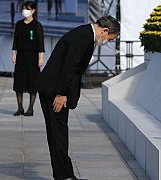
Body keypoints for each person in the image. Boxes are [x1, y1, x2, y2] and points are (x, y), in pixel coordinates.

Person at [37, 16, 120, 180]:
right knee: (57, 135)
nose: (107, 42)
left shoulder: (84, 34)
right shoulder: (84, 37)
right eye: (110, 39)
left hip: (56, 89)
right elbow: (69, 67)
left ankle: (66, 174)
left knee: (60, 134)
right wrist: (61, 94)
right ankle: (64, 176)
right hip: (55, 91)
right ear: (105, 31)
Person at [12, 1, 45, 116]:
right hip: (21, 56)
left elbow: (41, 43)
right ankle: (20, 107)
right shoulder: (19, 24)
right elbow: (15, 40)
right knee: (19, 82)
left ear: (33, 11)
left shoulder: (37, 25)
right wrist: (14, 53)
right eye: (24, 9)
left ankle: (30, 108)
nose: (25, 11)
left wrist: (41, 57)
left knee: (32, 82)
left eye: (28, 9)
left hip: (33, 57)